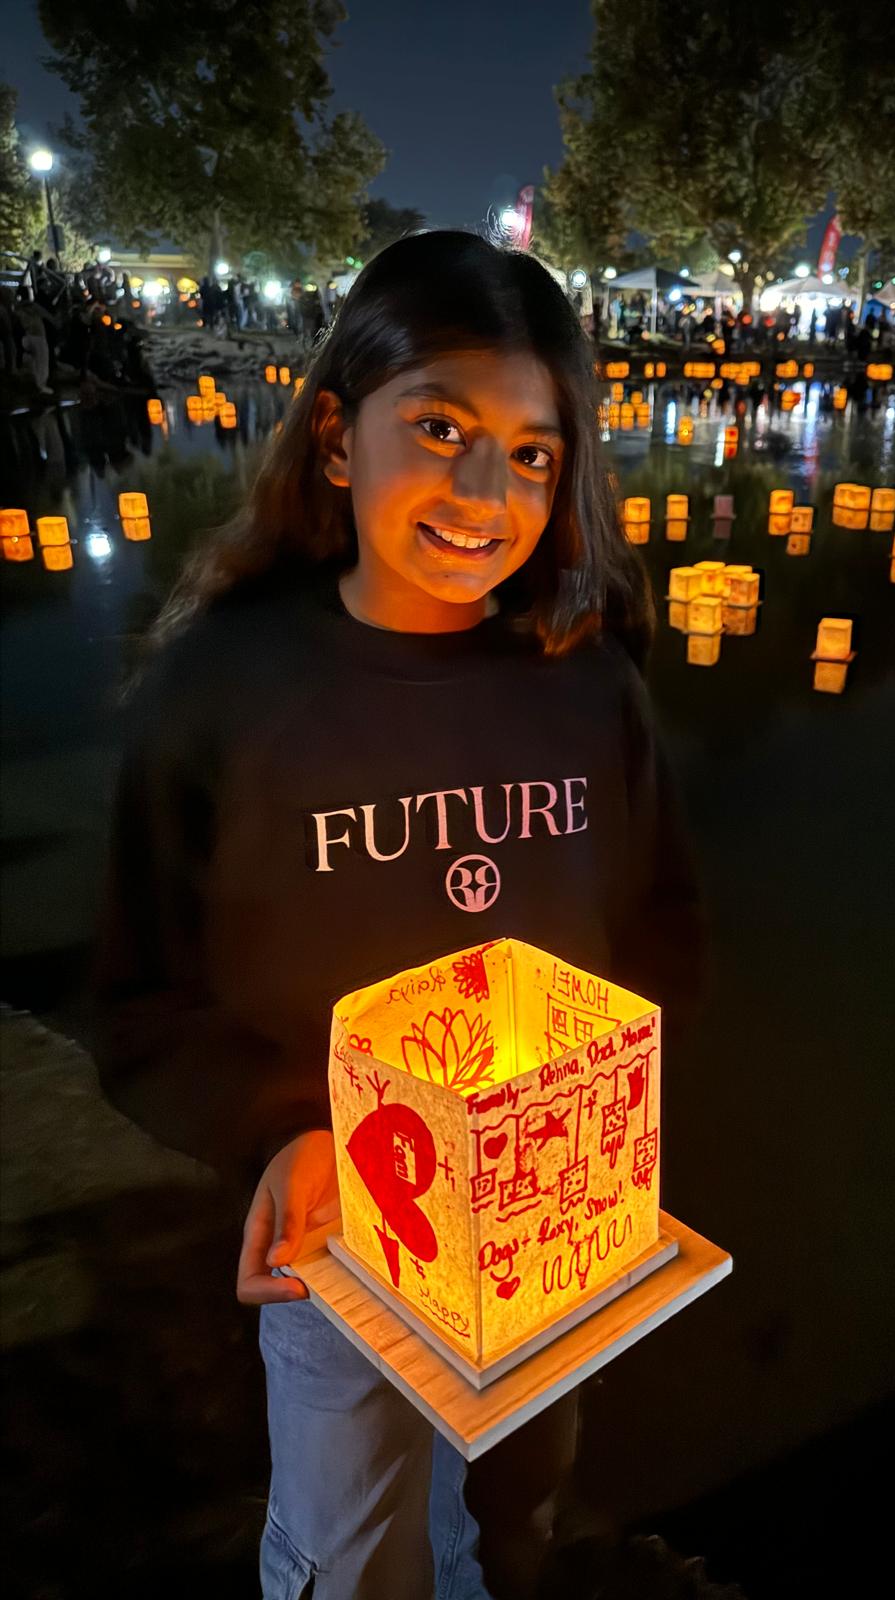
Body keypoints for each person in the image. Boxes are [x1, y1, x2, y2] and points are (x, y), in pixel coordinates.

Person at [87, 229, 706, 1600]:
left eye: (535, 453)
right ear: (333, 434)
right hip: (348, 1244)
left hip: (552, 1237)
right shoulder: (223, 694)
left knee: (514, 1523)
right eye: (440, 426)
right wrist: (281, 1128)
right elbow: (137, 997)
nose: (487, 492)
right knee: (350, 1550)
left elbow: (664, 925)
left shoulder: (587, 680)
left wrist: (601, 1109)